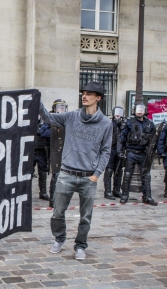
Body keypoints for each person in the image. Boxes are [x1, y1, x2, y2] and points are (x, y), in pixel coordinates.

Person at [39, 82, 112, 261]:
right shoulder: (71, 116)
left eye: (89, 94)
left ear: (99, 98)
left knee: (86, 216)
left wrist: (97, 174)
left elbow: (106, 150)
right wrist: (38, 101)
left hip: (89, 177)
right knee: (57, 212)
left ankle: (80, 246)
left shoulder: (106, 123)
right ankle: (59, 238)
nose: (84, 96)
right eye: (83, 93)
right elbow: (48, 118)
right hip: (66, 174)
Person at [118, 102, 158, 206]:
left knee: (146, 175)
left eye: (142, 110)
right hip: (131, 152)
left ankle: (147, 196)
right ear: (134, 111)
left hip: (144, 153)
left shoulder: (150, 124)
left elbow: (154, 139)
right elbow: (122, 138)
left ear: (145, 111)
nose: (140, 112)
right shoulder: (129, 122)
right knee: (127, 175)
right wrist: (120, 151)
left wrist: (153, 152)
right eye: (138, 110)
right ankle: (124, 195)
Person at [103, 106, 125, 200]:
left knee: (119, 170)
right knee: (109, 170)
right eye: (116, 113)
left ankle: (116, 190)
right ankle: (107, 191)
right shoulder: (109, 123)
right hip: (110, 149)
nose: (118, 115)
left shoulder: (124, 124)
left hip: (120, 150)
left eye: (120, 113)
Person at [34, 116, 50, 201]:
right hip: (30, 150)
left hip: (42, 151)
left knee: (43, 173)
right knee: (27, 173)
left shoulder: (45, 121)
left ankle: (43, 192)